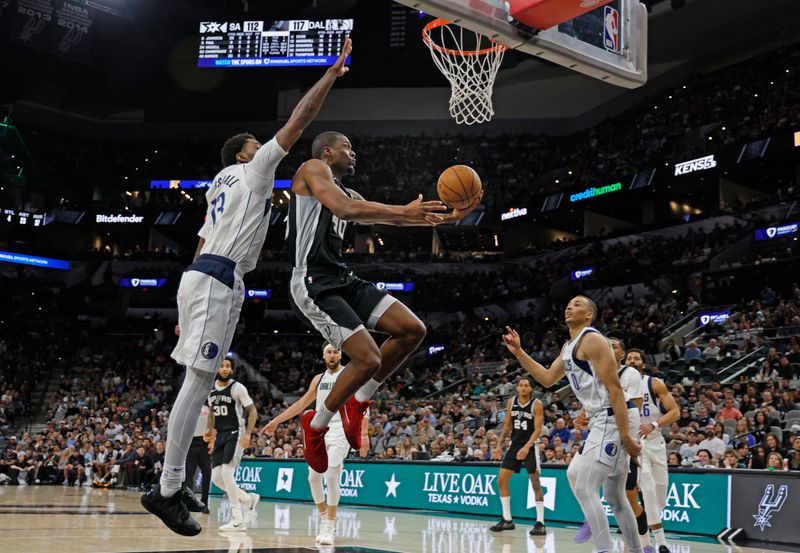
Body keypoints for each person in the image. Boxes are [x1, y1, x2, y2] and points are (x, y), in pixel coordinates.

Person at [140, 37, 354, 536]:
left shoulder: (219, 184)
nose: (266, 148)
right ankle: (167, 488)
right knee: (197, 383)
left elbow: (199, 243)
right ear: (242, 153)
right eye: (257, 145)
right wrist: (329, 74)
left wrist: (185, 305)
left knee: (195, 379)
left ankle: (175, 485)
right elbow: (298, 122)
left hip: (201, 276)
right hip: (218, 279)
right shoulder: (252, 169)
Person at [287, 131, 481, 474]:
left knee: (412, 330)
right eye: (348, 146)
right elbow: (345, 209)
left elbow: (389, 217)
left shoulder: (350, 193)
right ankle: (315, 425)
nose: (354, 152)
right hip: (313, 281)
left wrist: (444, 217)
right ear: (328, 152)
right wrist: (404, 209)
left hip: (342, 278)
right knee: (368, 358)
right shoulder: (313, 168)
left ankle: (359, 401)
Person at [502, 296, 642, 553]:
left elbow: (615, 389)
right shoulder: (569, 346)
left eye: (577, 304)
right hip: (603, 418)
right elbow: (546, 378)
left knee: (585, 486)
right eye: (568, 303)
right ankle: (636, 549)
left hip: (612, 417)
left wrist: (625, 436)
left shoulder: (593, 339)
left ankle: (604, 549)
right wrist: (519, 352)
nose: (569, 306)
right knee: (613, 496)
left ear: (589, 315)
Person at [262, 343, 368, 546]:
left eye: (336, 351)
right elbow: (301, 404)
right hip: (320, 429)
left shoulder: (350, 374)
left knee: (330, 473)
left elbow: (362, 403)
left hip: (341, 429)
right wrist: (277, 420)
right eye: (329, 351)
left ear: (341, 354)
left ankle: (329, 524)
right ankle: (323, 516)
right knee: (313, 477)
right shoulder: (318, 380)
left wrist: (363, 434)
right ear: (323, 355)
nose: (333, 354)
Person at [630, 348, 679, 553]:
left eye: (636, 358)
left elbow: (676, 412)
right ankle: (659, 543)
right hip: (636, 444)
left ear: (643, 363)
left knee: (660, 496)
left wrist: (654, 425)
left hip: (656, 442)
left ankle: (642, 533)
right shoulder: (618, 383)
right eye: (629, 358)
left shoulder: (653, 383)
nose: (632, 360)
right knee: (647, 489)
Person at [204, 358, 259, 531]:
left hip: (236, 432)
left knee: (227, 472)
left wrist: (248, 433)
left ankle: (237, 518)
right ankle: (247, 499)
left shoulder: (237, 387)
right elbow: (212, 414)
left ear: (232, 370)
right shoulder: (211, 390)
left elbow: (252, 411)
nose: (225, 369)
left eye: (228, 366)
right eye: (222, 366)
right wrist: (209, 431)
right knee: (216, 478)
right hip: (220, 434)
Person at [489, 376, 546, 536]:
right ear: (517, 388)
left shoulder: (537, 404)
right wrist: (499, 445)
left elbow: (538, 429)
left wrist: (527, 447)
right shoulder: (511, 402)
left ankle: (540, 523)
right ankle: (507, 520)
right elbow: (507, 425)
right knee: (501, 480)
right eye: (520, 385)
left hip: (531, 445)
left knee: (535, 484)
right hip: (514, 445)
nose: (522, 387)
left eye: (526, 385)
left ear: (530, 389)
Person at [182, 403, 212, 513]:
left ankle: (204, 504)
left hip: (204, 443)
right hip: (190, 442)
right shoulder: (188, 408)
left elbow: (212, 425)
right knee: (189, 476)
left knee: (207, 473)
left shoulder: (207, 409)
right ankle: (187, 504)